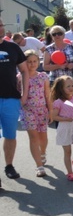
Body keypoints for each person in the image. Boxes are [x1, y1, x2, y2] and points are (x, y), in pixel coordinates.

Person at [0, 18, 28, 181]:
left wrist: (24, 95)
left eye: (2, 24)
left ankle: (9, 165)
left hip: (11, 99)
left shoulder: (12, 47)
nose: (1, 28)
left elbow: (24, 70)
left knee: (10, 136)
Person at [18, 50, 51, 177]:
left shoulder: (43, 76)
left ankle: (42, 153)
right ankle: (39, 166)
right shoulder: (20, 77)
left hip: (42, 110)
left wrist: (51, 110)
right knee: (33, 137)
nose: (32, 64)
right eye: (29, 62)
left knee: (43, 137)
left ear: (38, 62)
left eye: (34, 61)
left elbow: (47, 94)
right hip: (27, 110)